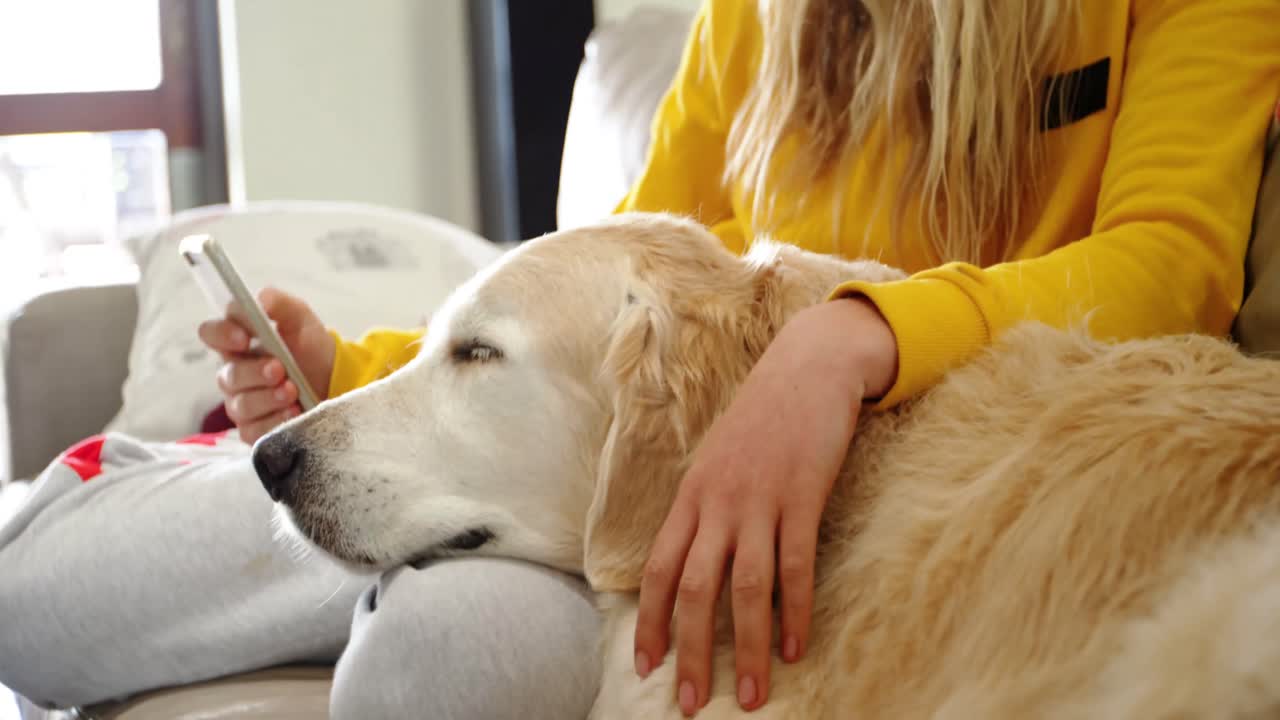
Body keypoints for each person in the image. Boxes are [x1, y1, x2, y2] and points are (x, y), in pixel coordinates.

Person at [2, 0, 1276, 718]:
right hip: (645, 461)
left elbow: (1171, 265)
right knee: (32, 597)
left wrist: (858, 337)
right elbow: (601, 276)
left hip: (915, 467)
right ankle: (131, 490)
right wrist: (365, 361)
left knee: (467, 642)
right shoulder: (758, 17)